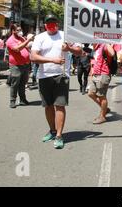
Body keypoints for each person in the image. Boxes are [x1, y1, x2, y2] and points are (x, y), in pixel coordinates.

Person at [30, 15, 81, 150]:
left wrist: (69, 49)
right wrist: (53, 60)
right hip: (44, 76)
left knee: (60, 105)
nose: (51, 25)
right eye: (48, 23)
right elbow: (33, 57)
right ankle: (52, 130)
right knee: (48, 106)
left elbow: (80, 51)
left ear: (57, 24)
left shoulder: (65, 36)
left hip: (61, 75)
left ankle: (59, 135)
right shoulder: (40, 37)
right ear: (45, 25)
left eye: (53, 23)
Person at [6, 24, 34, 108]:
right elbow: (17, 49)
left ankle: (22, 99)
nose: (20, 31)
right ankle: (12, 100)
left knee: (23, 83)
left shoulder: (21, 38)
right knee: (14, 84)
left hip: (25, 65)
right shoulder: (10, 40)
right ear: (13, 31)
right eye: (17, 30)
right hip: (16, 66)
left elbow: (26, 47)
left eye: (20, 29)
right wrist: (28, 40)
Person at [88, 43, 115, 124]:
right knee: (90, 93)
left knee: (101, 96)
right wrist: (91, 73)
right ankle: (105, 109)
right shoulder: (95, 48)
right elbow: (93, 62)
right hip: (95, 74)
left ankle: (102, 116)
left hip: (103, 74)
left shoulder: (103, 45)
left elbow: (112, 53)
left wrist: (106, 41)